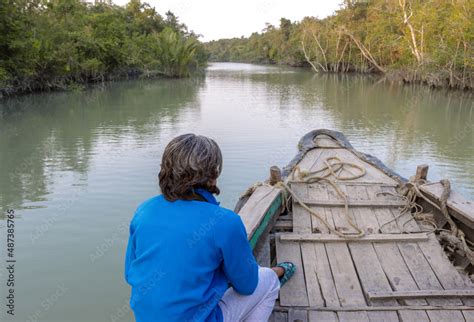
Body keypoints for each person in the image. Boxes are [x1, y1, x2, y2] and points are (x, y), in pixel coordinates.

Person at [125, 134, 295, 322]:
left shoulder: (143, 212)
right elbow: (247, 286)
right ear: (213, 176)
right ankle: (277, 274)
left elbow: (130, 273)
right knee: (269, 280)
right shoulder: (225, 222)